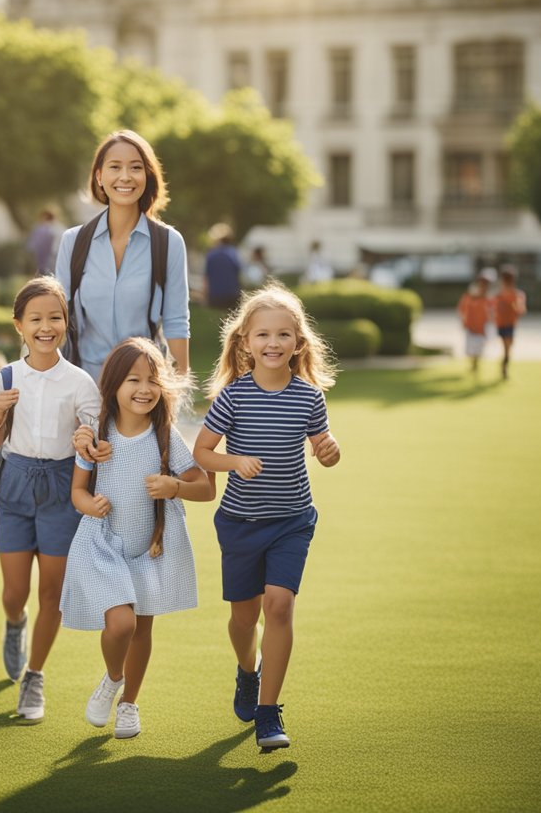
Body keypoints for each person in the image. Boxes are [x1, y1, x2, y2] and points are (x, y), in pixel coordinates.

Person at [192, 281, 341, 754]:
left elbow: (323, 450)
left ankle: (268, 711)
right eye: (263, 335)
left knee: (278, 606)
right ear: (244, 342)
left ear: (299, 343)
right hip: (239, 522)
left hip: (292, 520)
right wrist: (235, 462)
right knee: (244, 617)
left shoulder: (308, 397)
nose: (273, 343)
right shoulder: (233, 397)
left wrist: (330, 451)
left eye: (283, 335)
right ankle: (247, 671)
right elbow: (202, 453)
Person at [62, 337, 215, 740]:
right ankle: (113, 679)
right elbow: (77, 490)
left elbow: (204, 487)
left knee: (141, 629)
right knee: (119, 623)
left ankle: (129, 703)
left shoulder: (165, 436)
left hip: (150, 546)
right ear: (113, 384)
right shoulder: (96, 435)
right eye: (133, 379)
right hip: (104, 544)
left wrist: (174, 487)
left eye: (152, 380)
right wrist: (87, 505)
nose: (143, 389)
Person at [0, 276, 100, 722]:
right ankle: (15, 624)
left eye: (55, 317)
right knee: (15, 592)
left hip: (62, 490)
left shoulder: (82, 382)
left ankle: (35, 675)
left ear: (66, 323)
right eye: (36, 319)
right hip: (14, 485)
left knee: (51, 592)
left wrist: (88, 439)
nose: (46, 326)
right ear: (19, 326)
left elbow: (93, 447)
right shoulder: (5, 377)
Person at [56, 130, 191, 383]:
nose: (125, 177)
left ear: (147, 176)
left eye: (136, 167)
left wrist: (178, 390)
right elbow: (58, 319)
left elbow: (176, 322)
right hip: (85, 386)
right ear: (99, 176)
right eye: (115, 167)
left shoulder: (169, 243)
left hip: (144, 386)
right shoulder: (73, 242)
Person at [493, 265, 527, 380]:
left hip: (510, 324)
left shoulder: (517, 295)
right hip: (502, 324)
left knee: (508, 347)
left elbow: (521, 310)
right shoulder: (499, 295)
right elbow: (493, 309)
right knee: (507, 347)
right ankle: (504, 366)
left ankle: (504, 365)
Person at [457, 271, 493, 376]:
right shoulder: (472, 293)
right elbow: (463, 307)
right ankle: (473, 364)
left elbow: (491, 311)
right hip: (471, 325)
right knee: (471, 348)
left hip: (482, 326)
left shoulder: (488, 296)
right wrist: (463, 320)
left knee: (479, 347)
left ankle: (476, 364)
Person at [204, 223, 243, 309]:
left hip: (215, 296)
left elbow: (206, 278)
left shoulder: (211, 255)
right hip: (232, 295)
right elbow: (239, 273)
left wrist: (205, 295)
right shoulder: (233, 253)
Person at [27, 208, 61, 276]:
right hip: (54, 256)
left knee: (45, 274)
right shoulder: (59, 227)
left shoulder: (41, 229)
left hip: (47, 256)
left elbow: (32, 245)